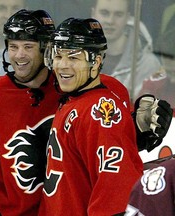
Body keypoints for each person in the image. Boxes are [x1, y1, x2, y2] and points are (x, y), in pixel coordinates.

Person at [0, 9, 172, 215]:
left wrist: (138, 128)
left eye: (28, 46)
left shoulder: (82, 90)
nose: (19, 55)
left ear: (47, 48)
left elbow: (99, 148)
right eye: (13, 46)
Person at [38, 17, 145, 215]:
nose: (62, 65)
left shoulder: (100, 112)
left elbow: (115, 192)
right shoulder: (73, 98)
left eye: (73, 58)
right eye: (58, 56)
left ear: (95, 62)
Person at [91, 0, 162, 99]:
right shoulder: (77, 58)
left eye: (118, 14)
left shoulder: (148, 64)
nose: (110, 21)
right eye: (104, 13)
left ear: (128, 17)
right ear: (93, 14)